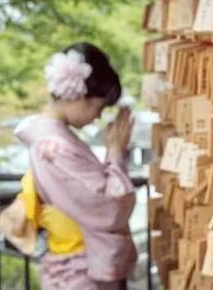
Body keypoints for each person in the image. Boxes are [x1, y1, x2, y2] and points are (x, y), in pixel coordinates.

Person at [13, 42, 137, 289]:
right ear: (79, 96)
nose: (99, 116)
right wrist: (115, 151)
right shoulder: (54, 146)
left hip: (75, 265)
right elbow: (109, 206)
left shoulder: (53, 138)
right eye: (98, 107)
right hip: (80, 270)